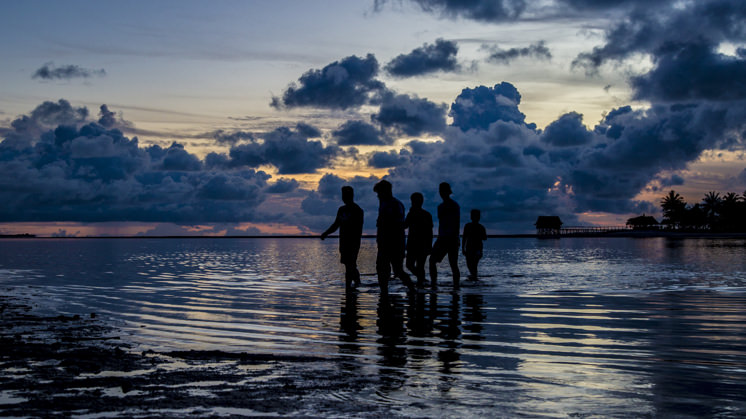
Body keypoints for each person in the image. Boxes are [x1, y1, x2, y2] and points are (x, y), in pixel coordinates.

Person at [373, 180, 416, 295]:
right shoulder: (384, 204)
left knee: (397, 270)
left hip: (394, 243)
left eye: (379, 193)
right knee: (383, 269)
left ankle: (412, 289)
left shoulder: (395, 205)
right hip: (385, 243)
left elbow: (397, 226)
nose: (378, 196)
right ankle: (384, 292)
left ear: (385, 191)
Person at [321, 186, 364, 289]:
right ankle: (356, 284)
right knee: (349, 265)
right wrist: (326, 233)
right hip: (343, 242)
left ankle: (349, 288)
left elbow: (358, 228)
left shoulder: (357, 210)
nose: (344, 197)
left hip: (353, 242)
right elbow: (336, 224)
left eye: (347, 195)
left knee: (350, 265)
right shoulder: (341, 209)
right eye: (344, 195)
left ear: (351, 196)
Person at [429, 182, 460, 288]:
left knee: (453, 264)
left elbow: (456, 223)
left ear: (448, 192)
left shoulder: (454, 206)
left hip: (451, 238)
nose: (442, 193)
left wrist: (456, 238)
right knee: (432, 260)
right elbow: (442, 223)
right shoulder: (440, 207)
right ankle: (434, 283)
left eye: (443, 191)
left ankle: (456, 285)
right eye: (441, 191)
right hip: (442, 237)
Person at [404, 192, 432, 286]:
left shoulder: (420, 214)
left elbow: (404, 225)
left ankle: (421, 281)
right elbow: (405, 225)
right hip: (416, 244)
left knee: (415, 265)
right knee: (415, 265)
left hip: (418, 244)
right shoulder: (422, 214)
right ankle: (421, 280)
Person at [462, 209, 487, 279]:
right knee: (470, 265)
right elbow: (464, 238)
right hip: (469, 248)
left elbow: (484, 238)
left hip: (477, 249)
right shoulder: (468, 226)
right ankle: (474, 277)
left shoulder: (480, 227)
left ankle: (474, 277)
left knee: (473, 265)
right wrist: (463, 248)